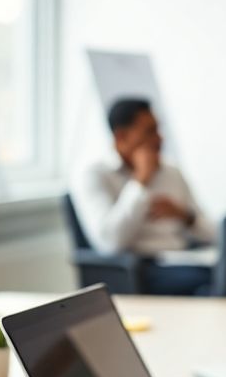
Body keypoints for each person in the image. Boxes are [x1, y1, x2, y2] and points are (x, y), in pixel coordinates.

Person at [70, 98, 216, 295]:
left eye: (158, 130)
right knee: (212, 283)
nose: (159, 139)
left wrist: (185, 216)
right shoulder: (94, 175)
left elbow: (214, 235)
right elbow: (110, 243)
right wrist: (140, 182)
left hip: (183, 258)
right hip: (140, 269)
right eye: (150, 131)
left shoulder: (171, 172)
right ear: (121, 136)